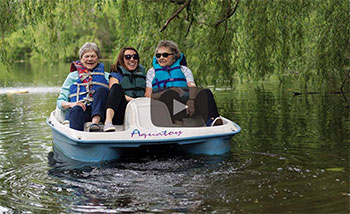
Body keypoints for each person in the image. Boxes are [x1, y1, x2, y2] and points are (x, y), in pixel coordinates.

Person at [145, 40, 223, 126]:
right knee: (170, 94)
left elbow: (192, 86)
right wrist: (167, 91)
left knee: (206, 92)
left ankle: (212, 120)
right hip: (166, 108)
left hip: (186, 106)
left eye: (165, 55)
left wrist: (191, 101)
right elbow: (149, 96)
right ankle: (178, 124)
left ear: (174, 57)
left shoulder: (184, 70)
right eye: (158, 55)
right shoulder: (152, 72)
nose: (161, 58)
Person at [57, 42, 109, 132]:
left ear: (98, 59)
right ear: (81, 59)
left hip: (100, 113)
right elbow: (60, 101)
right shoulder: (73, 76)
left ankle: (95, 124)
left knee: (101, 90)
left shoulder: (107, 76)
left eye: (93, 56)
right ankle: (77, 139)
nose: (90, 59)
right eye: (86, 56)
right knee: (77, 109)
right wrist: (71, 104)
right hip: (80, 111)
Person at [103, 47, 146, 132]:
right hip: (121, 111)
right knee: (116, 87)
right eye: (128, 57)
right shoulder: (116, 73)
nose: (132, 59)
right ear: (122, 59)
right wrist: (134, 100)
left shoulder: (143, 74)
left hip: (139, 109)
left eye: (135, 57)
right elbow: (113, 92)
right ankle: (108, 122)